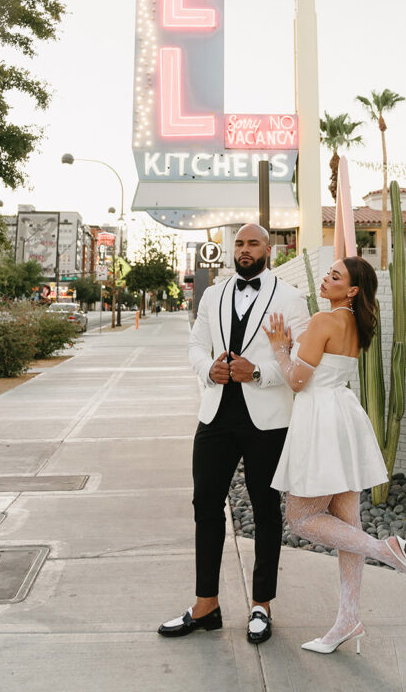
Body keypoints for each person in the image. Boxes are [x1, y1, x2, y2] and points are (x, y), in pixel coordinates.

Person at [158, 223, 310, 645]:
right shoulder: (214, 294)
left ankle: (261, 606)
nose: (245, 249)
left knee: (265, 508)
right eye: (239, 243)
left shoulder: (291, 298)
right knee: (205, 505)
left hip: (267, 421)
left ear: (269, 249)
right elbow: (194, 345)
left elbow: (300, 363)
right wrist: (208, 368)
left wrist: (257, 372)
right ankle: (206, 605)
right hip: (216, 416)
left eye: (253, 243)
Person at [264, 255, 406, 656]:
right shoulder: (355, 323)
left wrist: (281, 349)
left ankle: (385, 549)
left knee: (300, 518)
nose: (326, 278)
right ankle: (348, 620)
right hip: (344, 416)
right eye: (328, 273)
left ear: (351, 290)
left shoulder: (323, 321)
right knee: (347, 521)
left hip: (319, 418)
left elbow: (298, 381)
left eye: (336, 276)